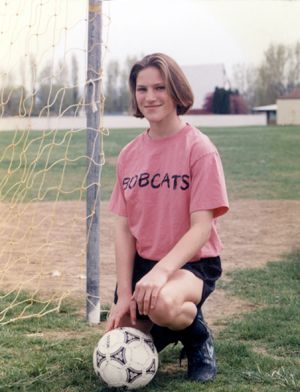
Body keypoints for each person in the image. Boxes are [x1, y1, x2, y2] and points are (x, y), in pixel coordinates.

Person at [106, 53, 229, 382]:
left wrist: (161, 275)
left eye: (159, 87)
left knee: (160, 304)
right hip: (147, 263)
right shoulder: (129, 154)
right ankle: (170, 322)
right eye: (142, 89)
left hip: (192, 263)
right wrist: (122, 296)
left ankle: (197, 337)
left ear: (176, 91)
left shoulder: (199, 149)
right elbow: (122, 227)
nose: (150, 97)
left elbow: (202, 228)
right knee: (123, 329)